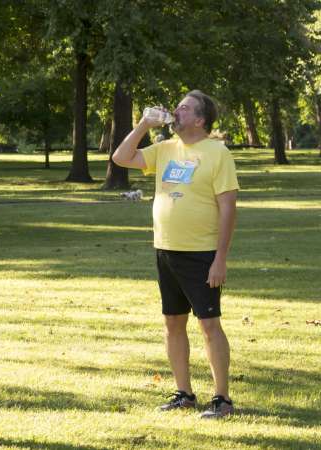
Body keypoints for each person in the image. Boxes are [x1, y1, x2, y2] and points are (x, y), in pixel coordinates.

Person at [112, 90, 239, 419]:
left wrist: (220, 258)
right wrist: (142, 124)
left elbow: (228, 209)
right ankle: (184, 393)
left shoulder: (217, 153)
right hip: (166, 250)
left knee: (209, 324)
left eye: (183, 109)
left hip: (201, 253)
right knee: (172, 322)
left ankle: (222, 399)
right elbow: (121, 158)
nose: (175, 112)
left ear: (199, 120)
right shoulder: (166, 149)